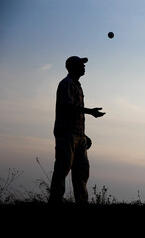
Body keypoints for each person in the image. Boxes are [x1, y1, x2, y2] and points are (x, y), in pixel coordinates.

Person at [49, 56, 105, 204]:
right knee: (63, 168)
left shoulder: (76, 85)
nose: (84, 67)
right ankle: (55, 201)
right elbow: (68, 107)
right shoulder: (66, 84)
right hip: (66, 133)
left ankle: (82, 202)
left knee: (82, 171)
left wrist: (83, 135)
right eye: (81, 64)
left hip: (77, 135)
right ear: (73, 67)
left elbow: (75, 113)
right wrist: (90, 112)